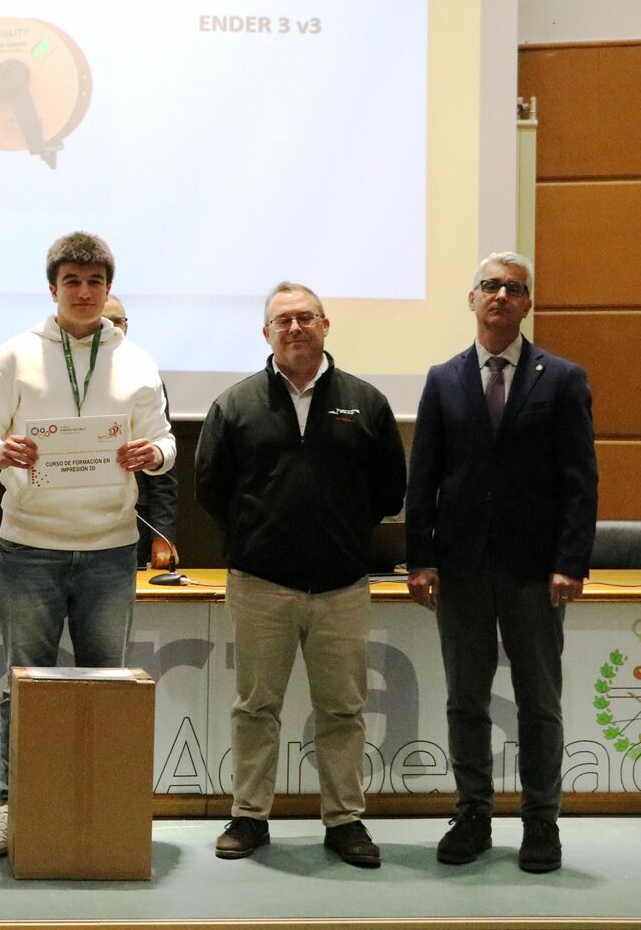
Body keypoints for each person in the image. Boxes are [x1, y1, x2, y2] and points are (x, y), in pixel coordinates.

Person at [0, 232, 175, 857]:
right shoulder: (14, 356)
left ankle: (105, 804)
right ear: (52, 288)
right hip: (31, 545)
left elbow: (164, 443)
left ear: (109, 289)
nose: (84, 293)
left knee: (107, 686)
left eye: (95, 282)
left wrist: (151, 455)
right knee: (22, 684)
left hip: (111, 549)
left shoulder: (138, 361)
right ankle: (14, 805)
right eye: (72, 282)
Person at [194, 282, 405, 868]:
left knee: (342, 709)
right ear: (266, 333)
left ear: (325, 325)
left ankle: (344, 821)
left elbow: (390, 490)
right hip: (262, 585)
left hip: (342, 586)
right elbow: (211, 489)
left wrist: (340, 532)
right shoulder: (235, 404)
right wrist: (259, 539)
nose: (295, 328)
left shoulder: (367, 401)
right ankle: (249, 817)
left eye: (305, 318)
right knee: (256, 709)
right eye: (282, 320)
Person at [406, 251, 598, 874]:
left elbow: (580, 482)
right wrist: (421, 559)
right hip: (461, 569)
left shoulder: (562, 378)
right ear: (471, 298)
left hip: (534, 571)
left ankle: (541, 821)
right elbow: (424, 477)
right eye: (490, 286)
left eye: (514, 288)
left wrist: (571, 562)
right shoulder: (443, 378)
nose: (501, 296)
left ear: (527, 303)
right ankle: (473, 814)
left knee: (538, 698)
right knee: (466, 698)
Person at [103, 295, 178, 569]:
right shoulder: (64, 376)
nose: (111, 329)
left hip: (136, 519)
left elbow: (163, 469)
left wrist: (163, 534)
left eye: (117, 322)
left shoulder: (144, 375)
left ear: (126, 326)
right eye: (104, 321)